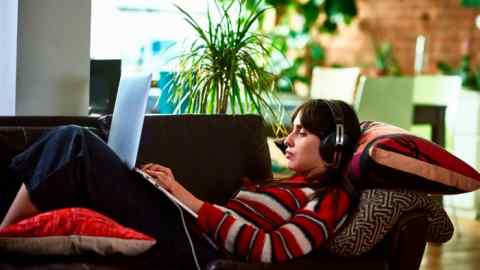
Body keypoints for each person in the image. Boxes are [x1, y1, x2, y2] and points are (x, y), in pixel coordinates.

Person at [0, 99, 361, 268]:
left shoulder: (329, 199)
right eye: (292, 130)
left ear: (331, 145)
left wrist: (183, 194)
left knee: (75, 142)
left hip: (195, 250)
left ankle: (3, 236)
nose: (290, 139)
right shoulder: (285, 185)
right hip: (185, 227)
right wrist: (171, 191)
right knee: (69, 145)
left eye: (303, 132)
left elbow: (270, 249)